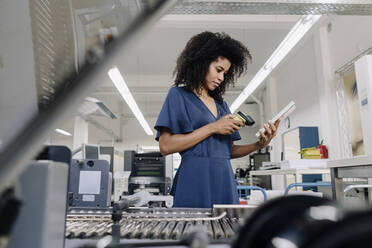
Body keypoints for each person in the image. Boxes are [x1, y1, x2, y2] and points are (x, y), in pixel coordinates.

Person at [154, 31, 280, 208]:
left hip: (224, 180)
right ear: (202, 63)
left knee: (225, 232)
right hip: (193, 180)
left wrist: (258, 145)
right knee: (191, 232)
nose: (221, 78)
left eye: (225, 73)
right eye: (218, 70)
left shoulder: (221, 105)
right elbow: (165, 146)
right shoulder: (178, 95)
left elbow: (228, 151)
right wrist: (213, 127)